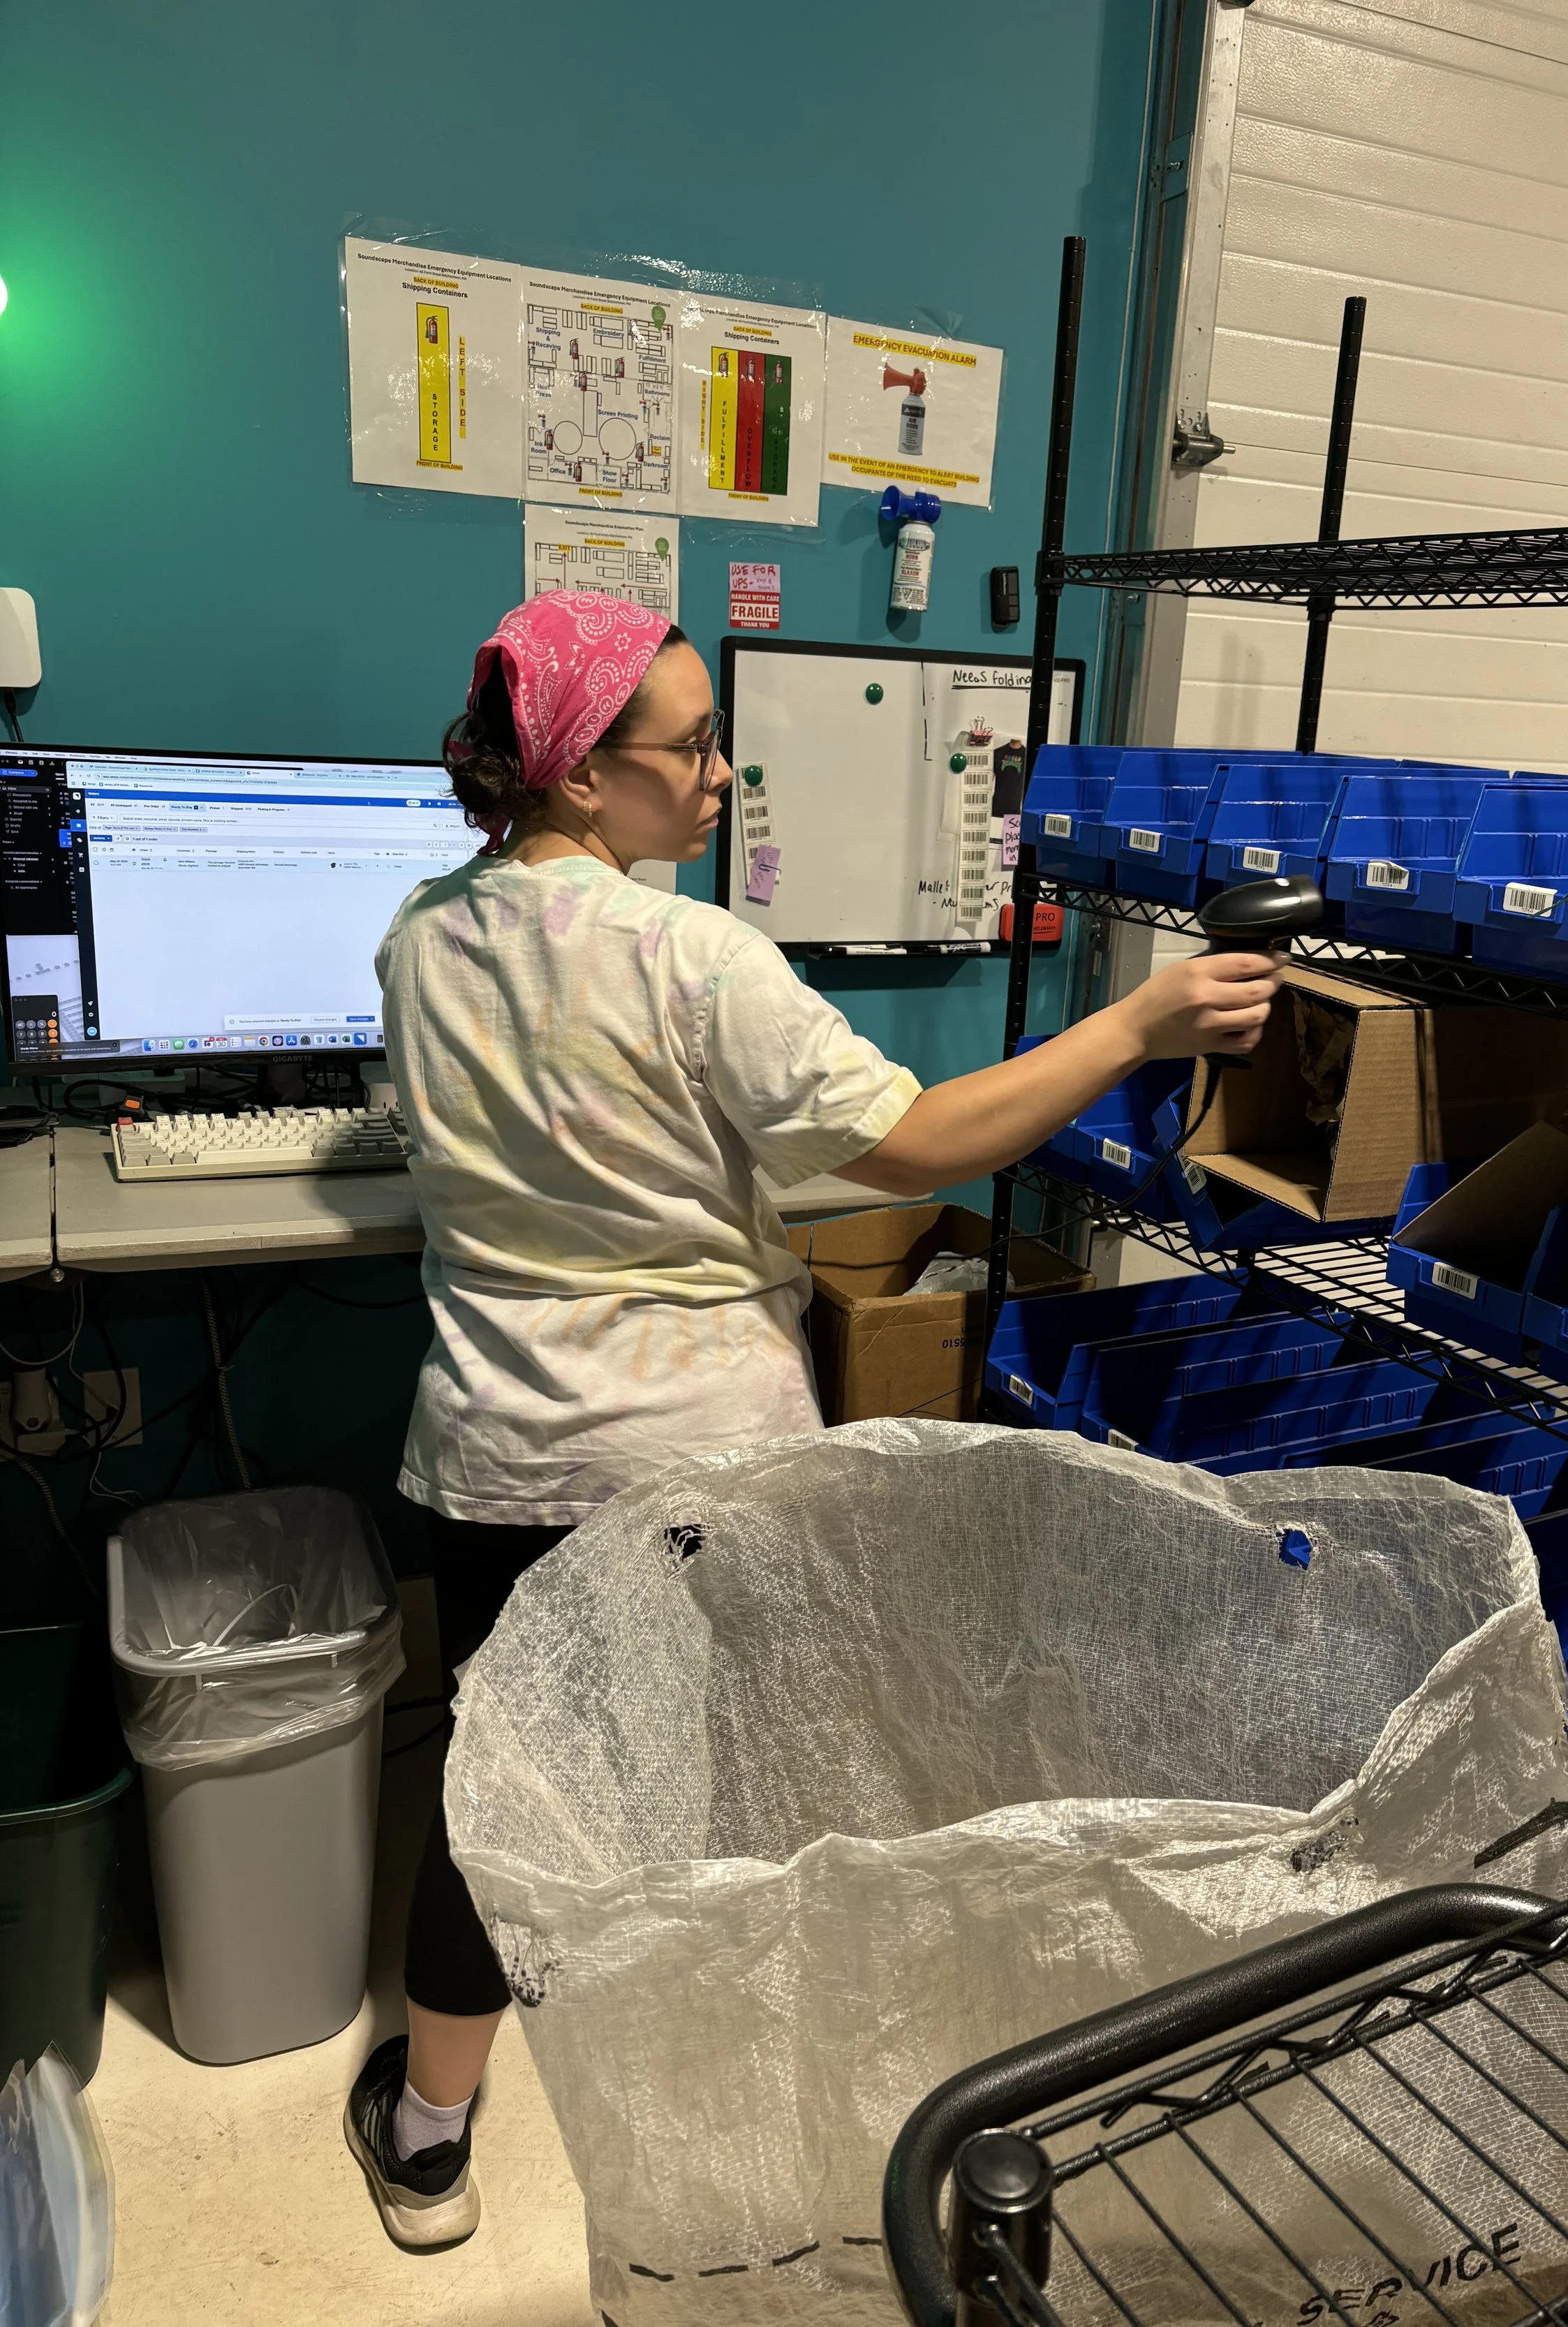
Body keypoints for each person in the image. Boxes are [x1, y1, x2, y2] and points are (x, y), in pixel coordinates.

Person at [343, 589, 1280, 2248]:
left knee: (493, 1798)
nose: (719, 775)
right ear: (574, 779)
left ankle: (428, 2131)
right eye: (689, 747)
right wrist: (1136, 1021)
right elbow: (919, 1144)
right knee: (711, 1780)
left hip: (499, 1454)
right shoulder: (693, 953)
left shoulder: (418, 933)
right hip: (695, 1465)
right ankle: (725, 2101)